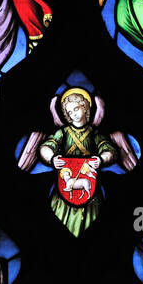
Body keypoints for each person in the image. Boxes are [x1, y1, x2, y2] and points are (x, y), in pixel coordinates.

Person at [38, 88, 117, 236]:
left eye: (76, 108)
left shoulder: (94, 134)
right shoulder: (62, 132)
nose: (73, 114)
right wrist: (52, 158)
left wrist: (100, 159)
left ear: (85, 107)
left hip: (91, 193)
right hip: (62, 193)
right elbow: (46, 147)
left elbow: (110, 150)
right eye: (69, 112)